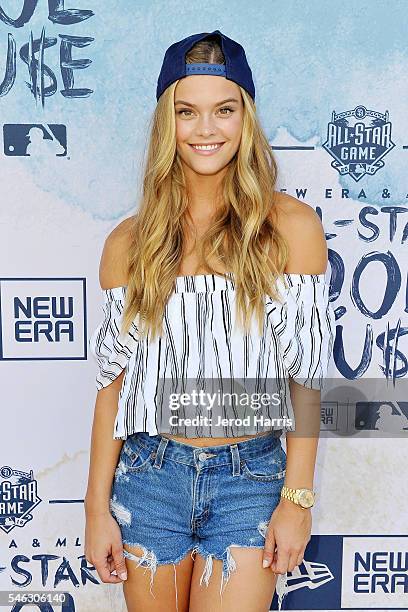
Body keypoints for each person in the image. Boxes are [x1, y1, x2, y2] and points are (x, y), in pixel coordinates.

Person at [84, 29, 336, 612]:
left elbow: (304, 382)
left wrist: (296, 500)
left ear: (245, 117)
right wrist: (96, 508)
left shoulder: (292, 228)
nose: (205, 130)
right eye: (187, 112)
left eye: (223, 110)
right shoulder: (129, 240)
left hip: (249, 481)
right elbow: (112, 386)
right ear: (164, 123)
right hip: (148, 477)